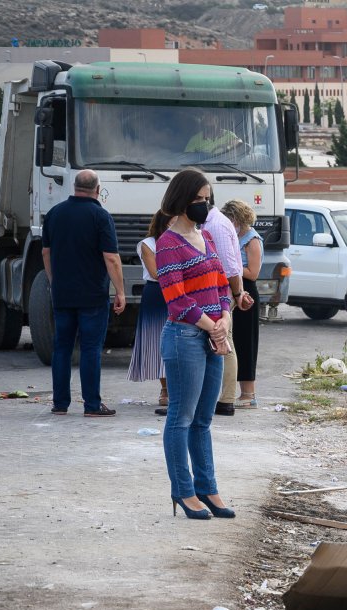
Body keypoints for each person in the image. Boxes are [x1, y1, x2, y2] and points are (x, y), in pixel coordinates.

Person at [155, 168, 235, 520]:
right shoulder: (167, 244)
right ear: (181, 199)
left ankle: (208, 487)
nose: (205, 205)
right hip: (184, 337)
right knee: (181, 418)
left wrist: (225, 318)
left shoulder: (207, 237)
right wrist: (212, 327)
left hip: (212, 335)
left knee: (204, 420)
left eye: (208, 200)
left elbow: (221, 287)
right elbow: (177, 300)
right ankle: (183, 491)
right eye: (199, 199)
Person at [42, 170, 126, 417]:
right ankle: (91, 405)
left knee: (62, 347)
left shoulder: (55, 214)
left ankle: (60, 404)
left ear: (74, 187)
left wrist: (53, 281)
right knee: (90, 348)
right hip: (92, 296)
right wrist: (120, 291)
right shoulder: (100, 216)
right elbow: (111, 258)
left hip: (62, 294)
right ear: (97, 190)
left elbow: (46, 253)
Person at [202, 193, 255, 416]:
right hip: (217, 291)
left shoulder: (217, 225)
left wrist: (237, 293)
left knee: (225, 340)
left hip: (220, 292)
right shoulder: (211, 223)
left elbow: (229, 267)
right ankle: (221, 398)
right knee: (221, 340)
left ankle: (225, 399)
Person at [221, 199, 263, 409]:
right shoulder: (232, 236)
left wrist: (230, 268)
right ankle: (234, 391)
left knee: (246, 342)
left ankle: (248, 394)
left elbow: (253, 273)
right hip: (232, 290)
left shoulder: (251, 239)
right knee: (232, 341)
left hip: (246, 291)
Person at [129, 211, 169, 414]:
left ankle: (175, 389)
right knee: (158, 341)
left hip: (178, 292)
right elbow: (155, 272)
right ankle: (165, 389)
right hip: (157, 293)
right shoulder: (149, 244)